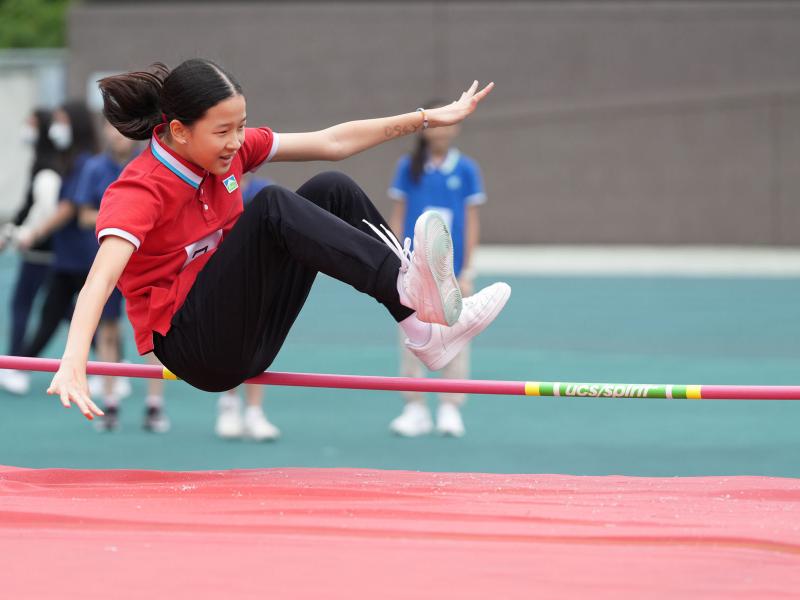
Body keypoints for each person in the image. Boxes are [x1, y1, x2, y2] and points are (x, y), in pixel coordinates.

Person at [46, 59, 511, 421]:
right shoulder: (140, 189)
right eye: (223, 132)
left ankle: (422, 329)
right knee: (270, 206)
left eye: (242, 126)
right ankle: (408, 286)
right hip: (197, 349)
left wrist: (427, 118)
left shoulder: (228, 155)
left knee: (333, 186)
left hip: (247, 328)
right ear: (179, 132)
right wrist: (73, 359)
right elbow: (100, 279)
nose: (236, 142)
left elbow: (333, 142)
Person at [387, 99, 486, 438]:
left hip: (452, 271)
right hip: (414, 268)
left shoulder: (466, 170)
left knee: (457, 332)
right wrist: (396, 257)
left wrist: (467, 270)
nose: (443, 129)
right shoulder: (408, 167)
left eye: (449, 122)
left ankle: (450, 406)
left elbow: (470, 221)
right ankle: (414, 407)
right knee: (411, 334)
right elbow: (399, 214)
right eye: (437, 122)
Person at [70, 120, 170, 433]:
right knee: (108, 330)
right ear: (103, 130)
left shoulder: (153, 164)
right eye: (111, 128)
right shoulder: (94, 169)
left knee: (155, 337)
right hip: (109, 265)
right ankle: (110, 401)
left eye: (123, 129)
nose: (118, 135)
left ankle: (154, 405)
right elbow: (83, 215)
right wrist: (125, 220)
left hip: (148, 266)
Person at [0, 109, 62, 395]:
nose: (26, 127)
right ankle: (109, 357)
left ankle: (14, 365)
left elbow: (43, 210)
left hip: (42, 251)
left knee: (23, 304)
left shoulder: (48, 166)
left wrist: (20, 235)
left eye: (32, 123)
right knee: (65, 308)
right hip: (47, 251)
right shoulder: (45, 161)